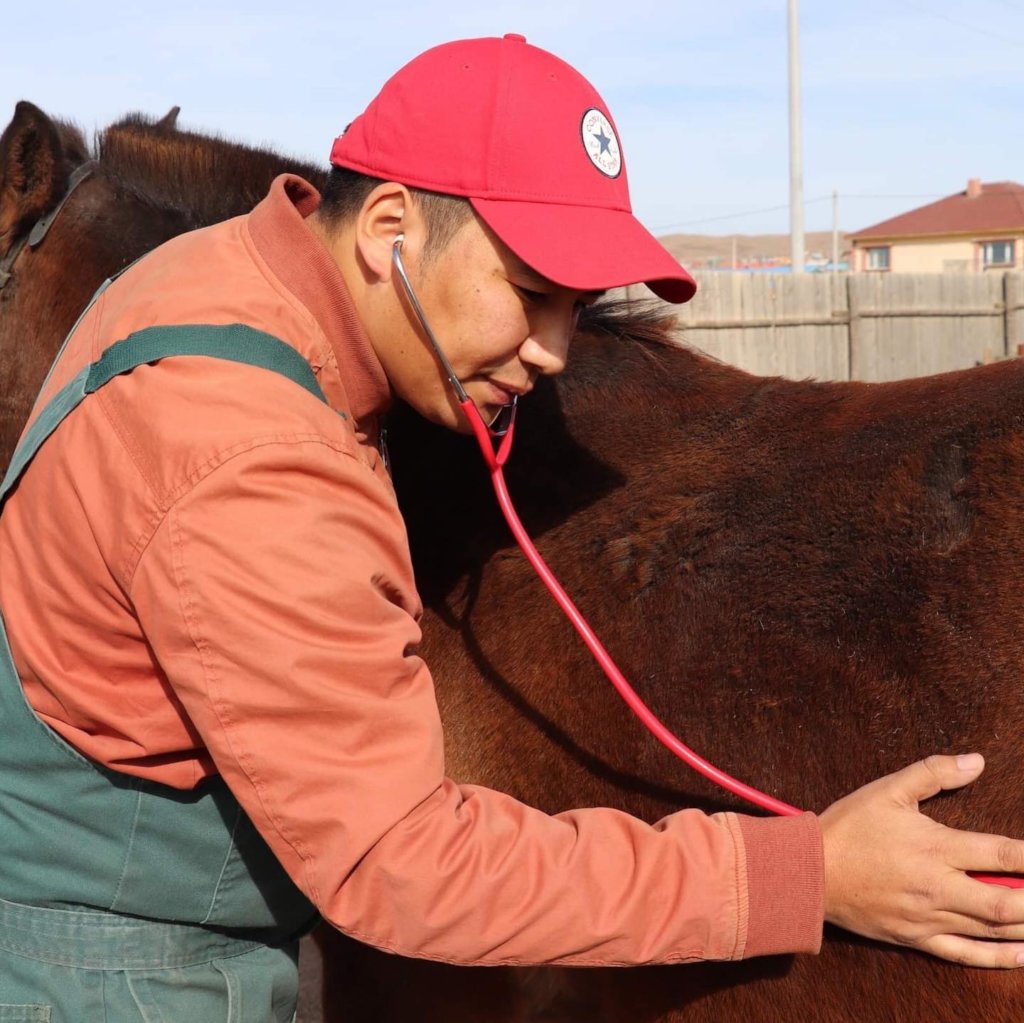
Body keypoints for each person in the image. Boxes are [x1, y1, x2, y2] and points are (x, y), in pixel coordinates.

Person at [1, 32, 1023, 1022]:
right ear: (388, 228)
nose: (553, 353)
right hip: (127, 979)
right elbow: (401, 866)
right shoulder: (254, 455)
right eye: (531, 295)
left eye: (577, 307)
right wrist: (809, 875)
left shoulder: (205, 276)